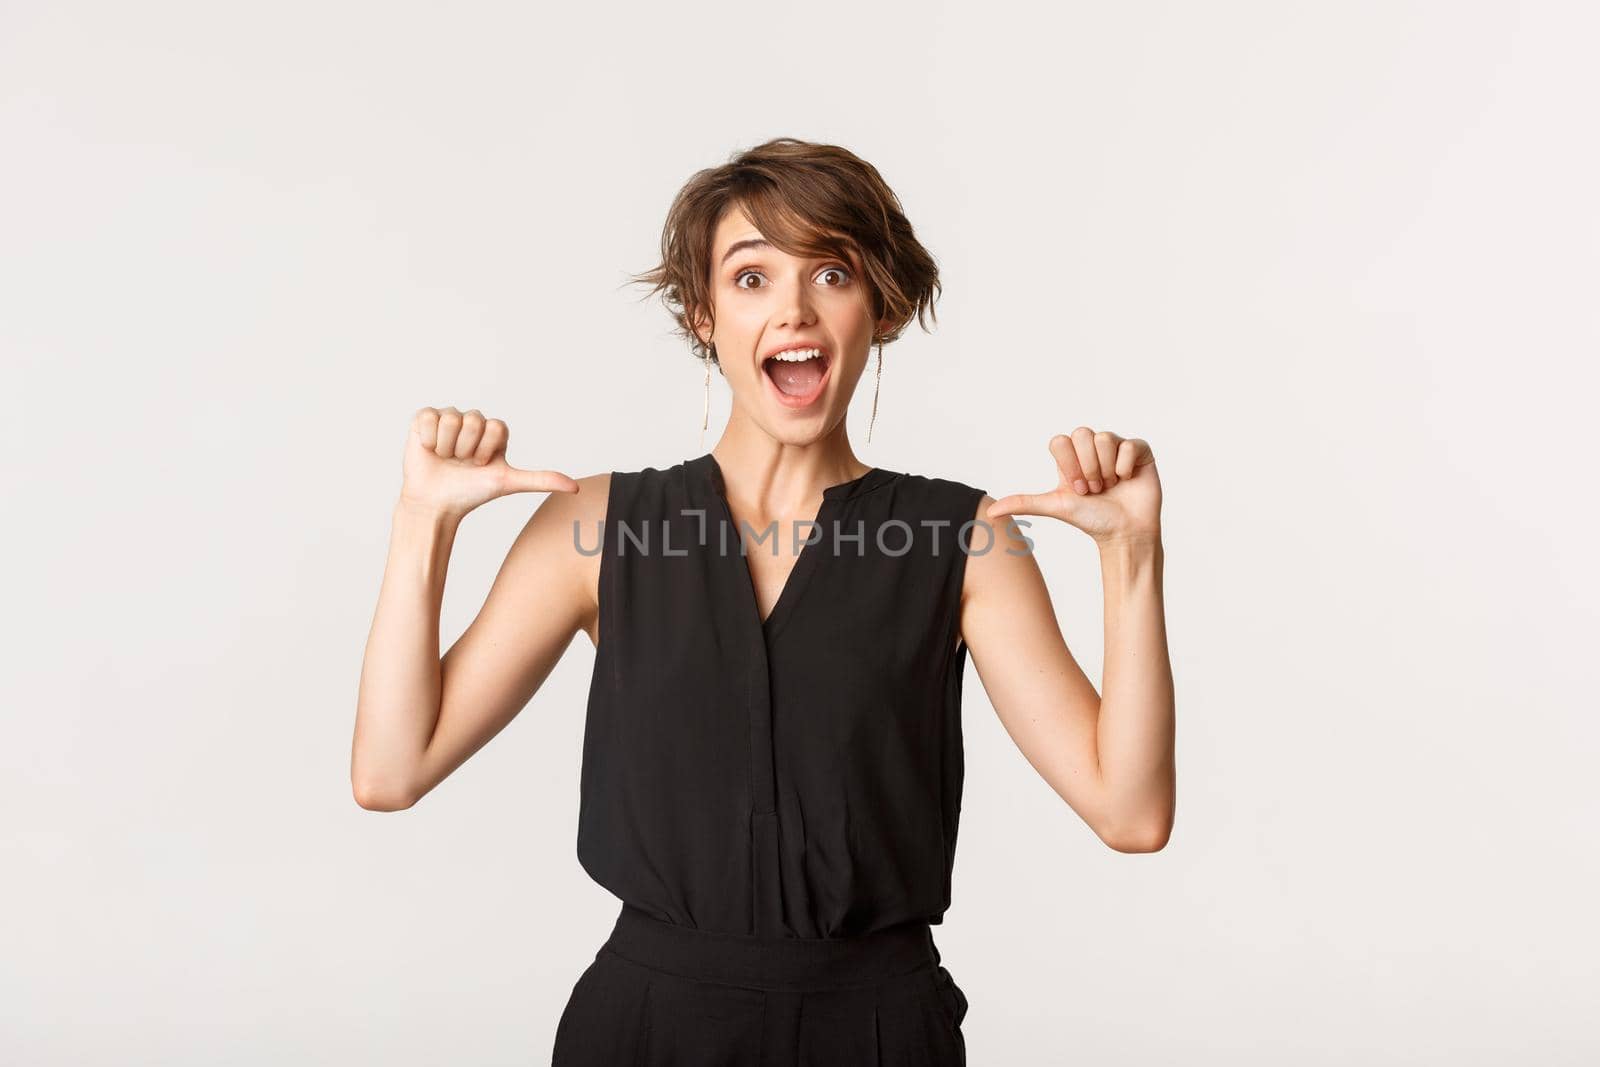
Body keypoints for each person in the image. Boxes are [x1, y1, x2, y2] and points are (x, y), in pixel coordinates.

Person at [351, 137, 1175, 1065]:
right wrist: (423, 523)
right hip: (646, 1029)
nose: (793, 308)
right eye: (751, 278)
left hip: (877, 1032)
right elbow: (391, 770)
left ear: (879, 309)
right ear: (703, 314)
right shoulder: (595, 524)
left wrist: (1131, 556)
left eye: (832, 272)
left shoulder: (965, 539)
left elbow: (1130, 812)